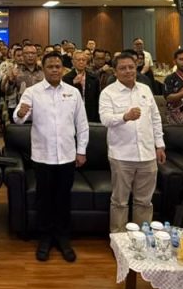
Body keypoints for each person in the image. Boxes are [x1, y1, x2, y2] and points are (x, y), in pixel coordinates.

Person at [15, 52, 89, 262]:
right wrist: (20, 113)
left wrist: (81, 150)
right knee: (44, 199)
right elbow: (19, 119)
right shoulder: (32, 92)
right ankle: (45, 238)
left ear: (63, 69)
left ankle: (63, 238)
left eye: (58, 66)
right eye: (50, 66)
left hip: (67, 155)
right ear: (44, 69)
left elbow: (82, 124)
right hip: (42, 155)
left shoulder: (73, 92)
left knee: (63, 198)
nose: (55, 70)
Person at [99, 52, 165, 232]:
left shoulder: (145, 89)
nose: (128, 71)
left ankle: (141, 238)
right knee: (120, 202)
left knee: (144, 201)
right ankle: (119, 239)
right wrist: (125, 117)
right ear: (115, 71)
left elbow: (155, 118)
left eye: (131, 67)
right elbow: (105, 119)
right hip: (122, 155)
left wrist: (160, 145)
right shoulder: (108, 93)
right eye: (123, 68)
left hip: (147, 154)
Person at [63, 49, 100, 123]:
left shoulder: (93, 78)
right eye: (78, 60)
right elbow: (64, 97)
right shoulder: (66, 78)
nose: (81, 62)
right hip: (72, 114)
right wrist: (73, 83)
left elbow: (97, 99)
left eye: (83, 60)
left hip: (90, 114)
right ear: (73, 62)